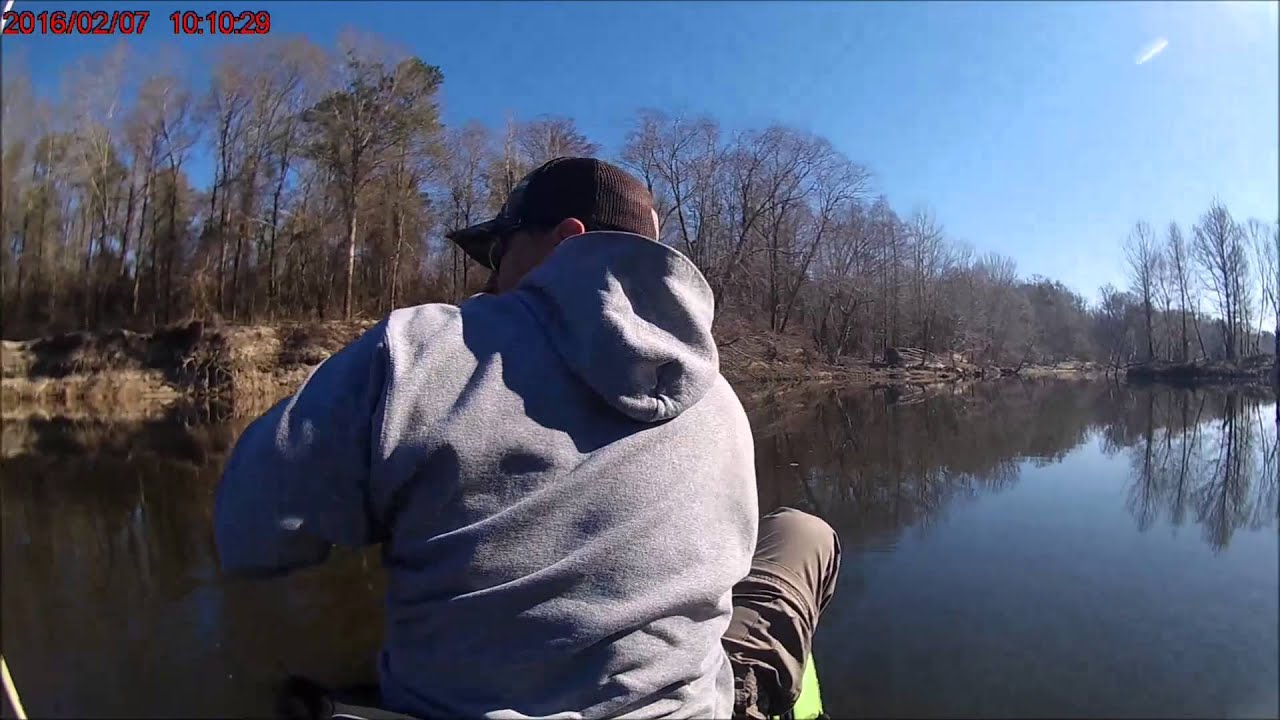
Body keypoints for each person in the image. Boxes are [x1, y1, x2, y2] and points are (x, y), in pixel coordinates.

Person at [214, 157, 840, 720]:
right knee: (804, 534)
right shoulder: (718, 393)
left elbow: (246, 536)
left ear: (567, 242)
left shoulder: (419, 351)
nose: (487, 280)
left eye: (499, 253)